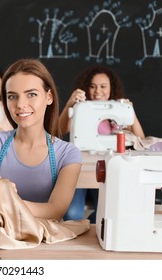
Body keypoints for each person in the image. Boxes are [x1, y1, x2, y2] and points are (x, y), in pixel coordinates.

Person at [0, 58, 82, 221]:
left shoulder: (68, 154)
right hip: (0, 239)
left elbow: (55, 211)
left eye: (31, 94)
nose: (21, 104)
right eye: (12, 96)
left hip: (45, 241)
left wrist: (7, 199)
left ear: (49, 97)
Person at [59, 65, 145, 223]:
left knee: (105, 214)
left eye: (103, 86)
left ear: (111, 88)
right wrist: (69, 105)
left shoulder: (117, 111)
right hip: (80, 167)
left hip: (107, 169)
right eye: (93, 86)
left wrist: (131, 112)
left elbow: (141, 139)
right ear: (86, 88)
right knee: (72, 213)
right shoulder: (81, 109)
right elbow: (60, 130)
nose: (98, 91)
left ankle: (88, 230)